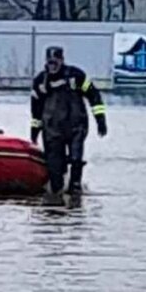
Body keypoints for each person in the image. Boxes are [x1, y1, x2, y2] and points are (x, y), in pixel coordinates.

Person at [30, 46, 107, 196]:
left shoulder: (75, 76)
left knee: (76, 159)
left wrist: (100, 120)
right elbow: (36, 110)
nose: (53, 65)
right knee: (54, 168)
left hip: (76, 126)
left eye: (55, 61)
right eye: (50, 62)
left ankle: (75, 189)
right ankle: (56, 198)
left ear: (62, 60)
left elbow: (94, 95)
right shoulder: (40, 81)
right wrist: (34, 133)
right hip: (52, 130)